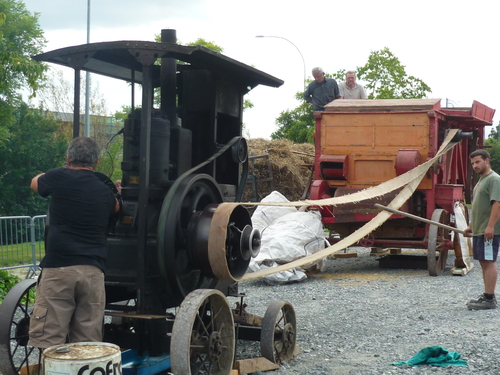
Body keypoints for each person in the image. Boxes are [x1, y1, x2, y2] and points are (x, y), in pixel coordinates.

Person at [28, 137, 119, 349]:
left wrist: (57, 172)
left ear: (68, 159)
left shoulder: (59, 177)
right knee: (87, 344)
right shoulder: (105, 191)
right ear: (96, 163)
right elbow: (116, 208)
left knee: (49, 340)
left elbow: (35, 182)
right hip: (93, 273)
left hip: (59, 269)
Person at [464, 149, 500, 310]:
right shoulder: (481, 180)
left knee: (488, 261)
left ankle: (490, 298)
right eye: (472, 163)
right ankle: (487, 295)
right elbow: (478, 207)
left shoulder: (494, 179)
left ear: (487, 160)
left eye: (478, 162)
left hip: (488, 231)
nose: (475, 166)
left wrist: (490, 226)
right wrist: (471, 226)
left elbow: (497, 204)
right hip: (480, 229)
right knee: (483, 262)